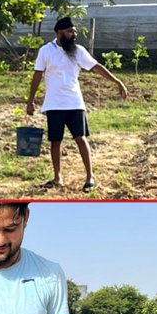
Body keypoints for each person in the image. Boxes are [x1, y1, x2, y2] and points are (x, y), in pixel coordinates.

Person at [27, 16, 128, 192]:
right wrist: (30, 101)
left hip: (75, 103)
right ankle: (58, 177)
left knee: (80, 139)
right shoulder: (46, 51)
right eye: (69, 31)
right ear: (59, 33)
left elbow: (96, 67)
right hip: (54, 104)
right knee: (55, 142)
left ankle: (90, 177)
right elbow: (37, 75)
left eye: (74, 31)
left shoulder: (78, 50)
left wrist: (117, 81)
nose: (74, 34)